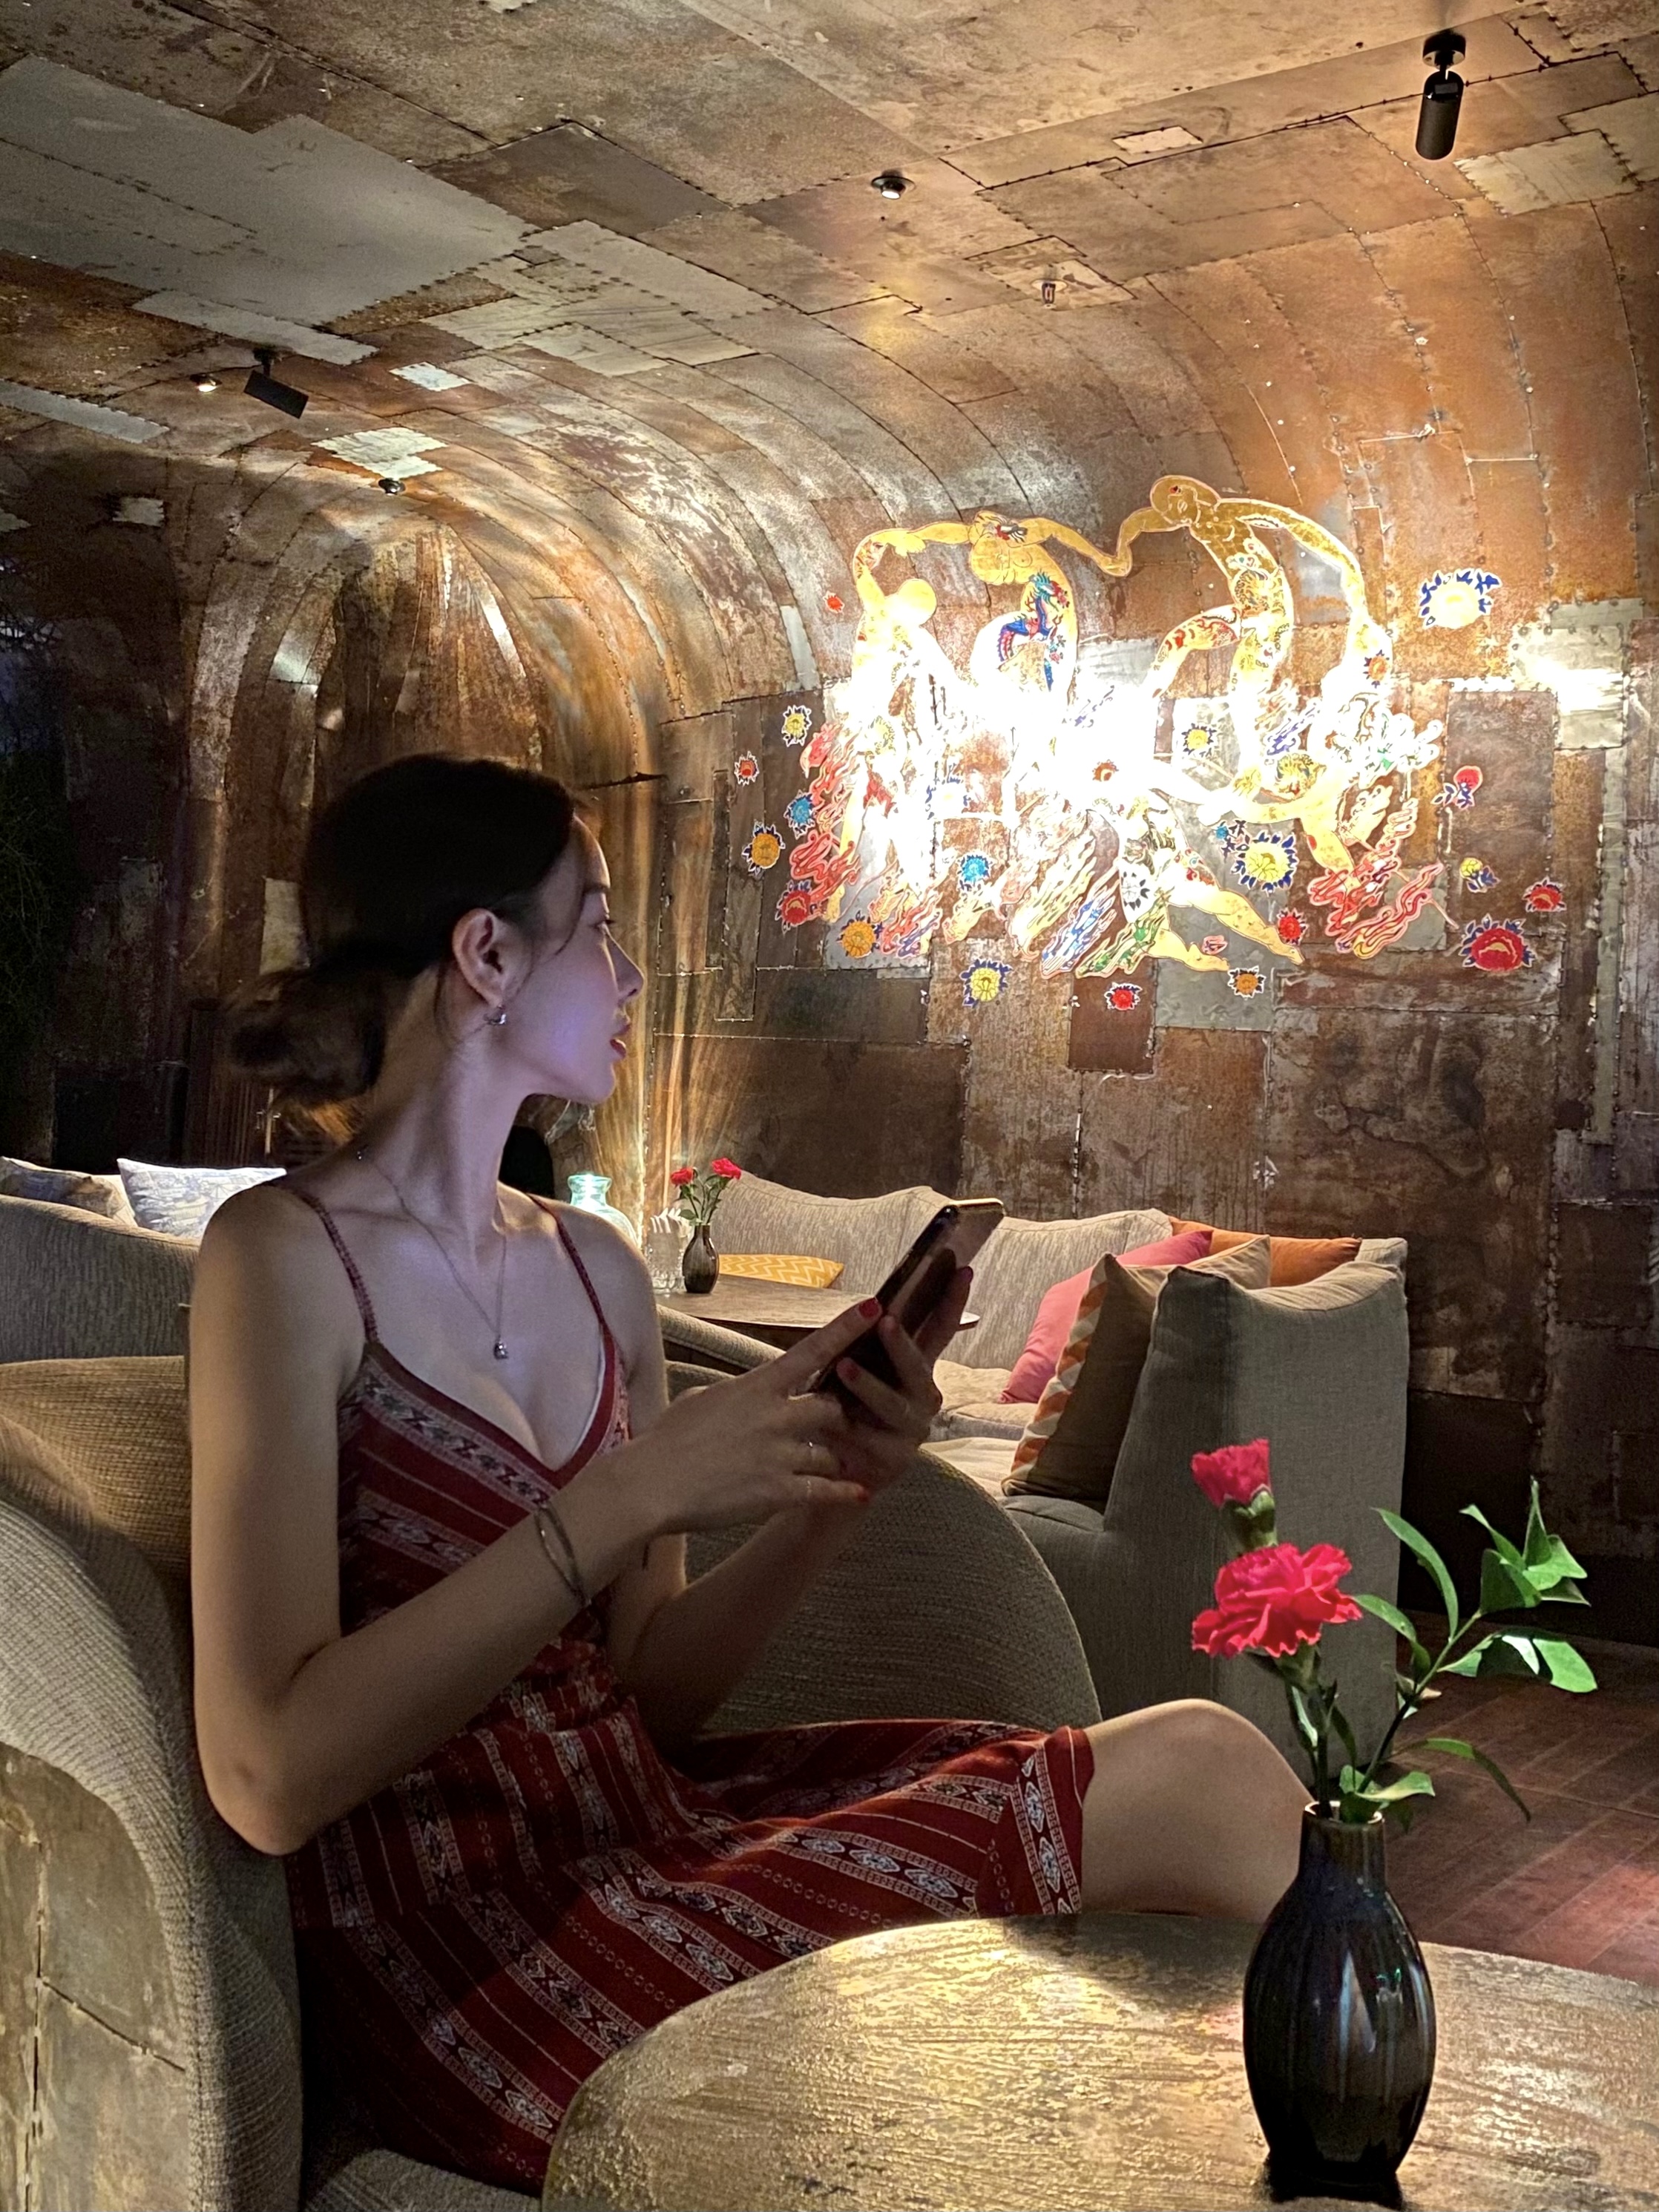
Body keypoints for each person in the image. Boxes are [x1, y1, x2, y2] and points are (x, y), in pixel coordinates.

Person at [190, 752, 1305, 2193]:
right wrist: (623, 1498)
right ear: (485, 956)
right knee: (1199, 1779)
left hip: (654, 1826)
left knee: (1208, 1787)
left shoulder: (595, 1268)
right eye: (598, 927)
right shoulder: (281, 1261)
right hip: (474, 1949)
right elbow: (267, 1778)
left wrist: (832, 1492)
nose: (630, 977)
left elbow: (648, 1690)